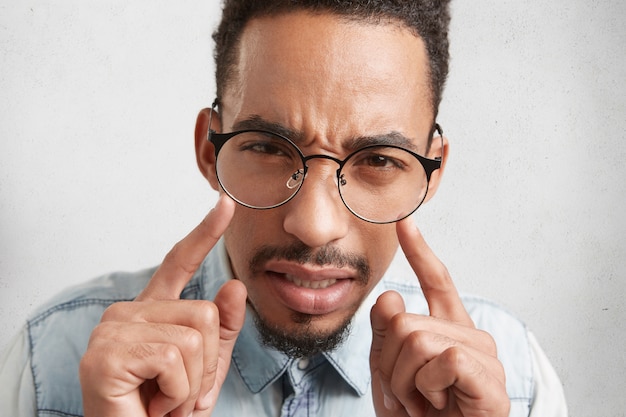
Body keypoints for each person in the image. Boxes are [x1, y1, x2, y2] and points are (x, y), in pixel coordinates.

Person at [0, 1, 568, 416]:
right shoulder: (50, 362)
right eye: (268, 148)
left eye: (379, 160)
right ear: (209, 150)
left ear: (431, 172)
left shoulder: (514, 380)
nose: (313, 224)